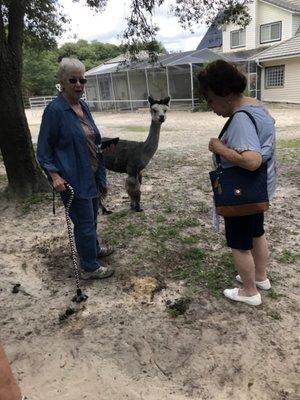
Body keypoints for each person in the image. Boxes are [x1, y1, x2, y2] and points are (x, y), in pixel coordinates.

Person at [198, 60, 276, 306]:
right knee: (256, 232)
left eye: (210, 99)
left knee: (239, 243)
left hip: (239, 192)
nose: (210, 107)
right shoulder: (258, 107)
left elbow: (251, 161)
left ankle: (249, 292)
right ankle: (260, 277)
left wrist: (220, 148)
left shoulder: (241, 119)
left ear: (227, 94)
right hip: (257, 189)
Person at [37, 58, 115, 279]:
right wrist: (54, 175)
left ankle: (94, 249)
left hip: (92, 173)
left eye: (83, 79)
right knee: (84, 223)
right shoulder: (54, 111)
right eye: (73, 80)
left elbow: (89, 138)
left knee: (92, 217)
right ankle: (90, 267)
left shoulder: (84, 106)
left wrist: (102, 149)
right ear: (62, 81)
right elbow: (44, 149)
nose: (79, 84)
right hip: (72, 177)